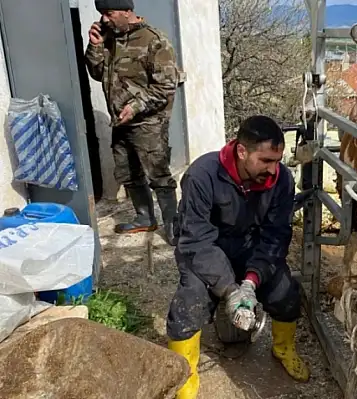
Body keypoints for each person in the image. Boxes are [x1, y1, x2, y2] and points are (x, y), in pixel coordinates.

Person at [166, 115, 310, 398]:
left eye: (277, 160)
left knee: (286, 290)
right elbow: (195, 239)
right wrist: (230, 289)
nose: (273, 169)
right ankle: (184, 375)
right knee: (189, 301)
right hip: (207, 250)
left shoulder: (282, 180)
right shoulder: (202, 175)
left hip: (252, 249)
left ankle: (283, 348)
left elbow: (276, 236)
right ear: (242, 151)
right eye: (265, 160)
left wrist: (252, 282)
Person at [85, 0, 182, 245]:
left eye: (109, 13)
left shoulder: (154, 40)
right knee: (128, 174)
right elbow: (97, 73)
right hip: (120, 122)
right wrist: (94, 46)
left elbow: (166, 86)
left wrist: (136, 106)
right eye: (101, 14)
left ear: (128, 12)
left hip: (149, 122)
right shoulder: (108, 37)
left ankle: (173, 225)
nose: (104, 19)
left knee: (159, 176)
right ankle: (144, 218)